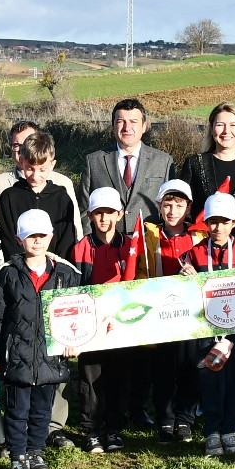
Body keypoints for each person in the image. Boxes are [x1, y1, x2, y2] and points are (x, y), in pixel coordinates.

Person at [0, 210, 82, 469]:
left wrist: (75, 343)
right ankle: (17, 457)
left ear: (51, 236)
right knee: (17, 410)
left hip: (51, 357)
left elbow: (77, 314)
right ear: (18, 239)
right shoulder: (6, 274)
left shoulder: (67, 274)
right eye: (30, 236)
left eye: (41, 235)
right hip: (17, 357)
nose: (36, 241)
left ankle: (36, 451)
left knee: (42, 410)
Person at [179, 194, 235, 455]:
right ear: (205, 223)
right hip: (207, 330)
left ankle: (230, 429)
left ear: (234, 222)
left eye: (224, 222)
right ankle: (212, 432)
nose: (218, 228)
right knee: (209, 378)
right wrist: (186, 278)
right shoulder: (193, 255)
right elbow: (181, 295)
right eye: (213, 222)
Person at [68, 186, 152, 450]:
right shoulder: (81, 247)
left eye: (109, 213)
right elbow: (74, 290)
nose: (104, 219)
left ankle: (114, 428)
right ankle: (92, 429)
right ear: (90, 215)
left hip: (121, 327)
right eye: (98, 213)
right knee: (90, 379)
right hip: (92, 326)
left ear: (120, 214)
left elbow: (141, 286)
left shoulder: (131, 246)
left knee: (119, 377)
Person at [142, 180, 200, 442]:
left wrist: (196, 275)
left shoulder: (199, 237)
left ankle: (185, 418)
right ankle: (165, 419)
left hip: (190, 315)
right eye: (167, 205)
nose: (173, 211)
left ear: (188, 208)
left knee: (188, 366)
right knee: (163, 369)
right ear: (159, 206)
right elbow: (141, 271)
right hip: (160, 313)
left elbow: (209, 270)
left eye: (179, 205)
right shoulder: (148, 235)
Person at [83, 98, 172, 227]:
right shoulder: (94, 161)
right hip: (106, 244)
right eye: (121, 121)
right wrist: (90, 244)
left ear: (144, 126)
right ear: (113, 126)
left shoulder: (163, 162)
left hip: (149, 243)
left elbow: (170, 206)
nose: (127, 127)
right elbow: (85, 210)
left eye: (133, 121)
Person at [0, 131, 80, 259]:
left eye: (42, 169)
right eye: (30, 168)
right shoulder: (9, 197)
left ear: (52, 165)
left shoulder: (61, 198)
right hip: (19, 271)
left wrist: (56, 269)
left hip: (54, 270)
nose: (35, 176)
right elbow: (8, 240)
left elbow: (67, 241)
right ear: (22, 161)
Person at [178, 102, 235, 222]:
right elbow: (183, 206)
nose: (226, 131)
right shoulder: (194, 163)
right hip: (202, 238)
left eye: (233, 125)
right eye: (220, 125)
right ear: (212, 130)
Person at [0, 119, 82, 221]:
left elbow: (74, 225)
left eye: (28, 143)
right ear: (10, 146)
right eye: (16, 145)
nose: (22, 150)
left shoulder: (63, 183)